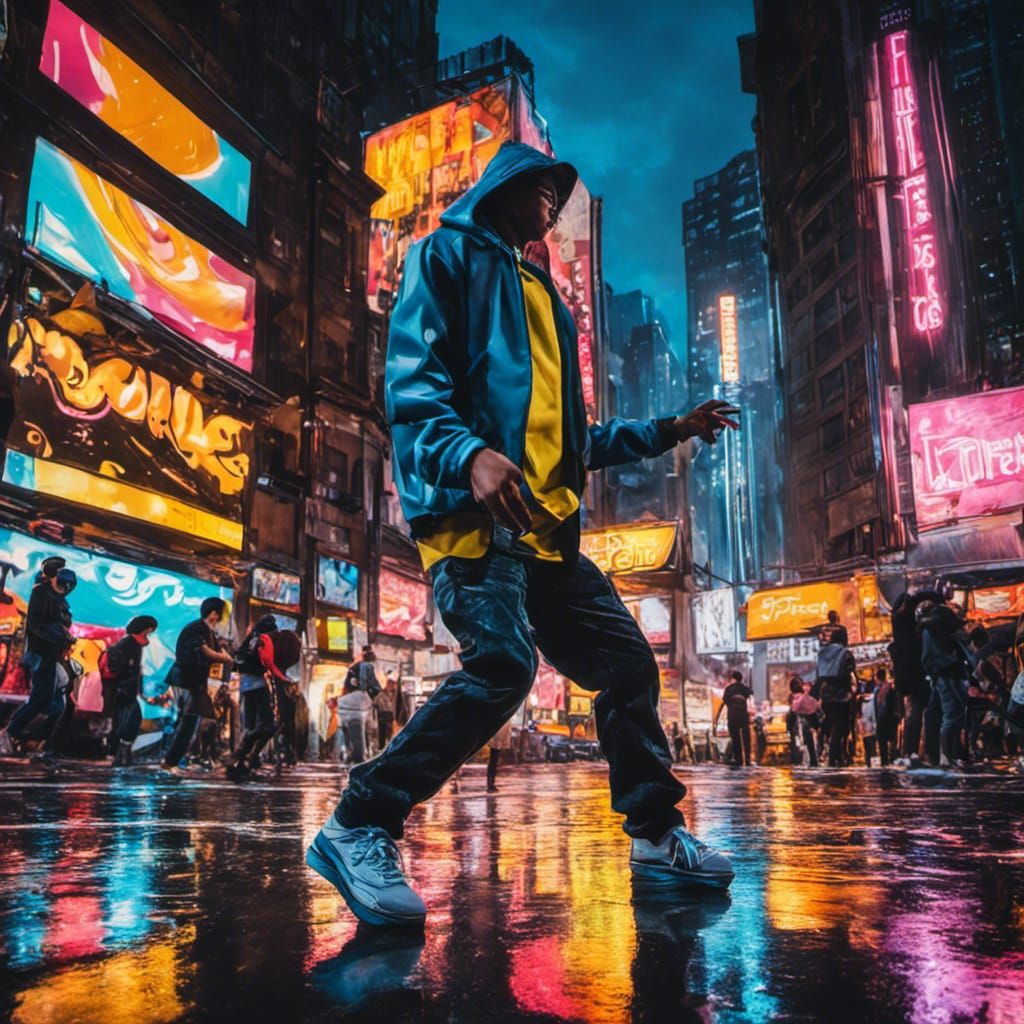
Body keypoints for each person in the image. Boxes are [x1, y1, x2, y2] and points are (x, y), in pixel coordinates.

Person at [306, 141, 739, 928]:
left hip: (546, 539)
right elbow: (411, 388)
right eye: (541, 189)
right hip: (474, 528)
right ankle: (358, 823)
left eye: (556, 194)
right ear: (501, 187)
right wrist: (468, 456)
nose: (551, 203)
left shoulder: (544, 294)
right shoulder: (446, 257)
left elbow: (574, 443)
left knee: (627, 661)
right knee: (503, 665)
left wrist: (673, 428)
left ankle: (654, 835)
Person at [0, 557, 77, 756]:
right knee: (41, 700)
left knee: (57, 704)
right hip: (43, 654)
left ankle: (35, 741)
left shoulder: (56, 597)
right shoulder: (42, 594)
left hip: (52, 655)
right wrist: (62, 636)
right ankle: (12, 733)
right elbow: (37, 626)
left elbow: (61, 620)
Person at [162, 597, 233, 773]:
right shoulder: (197, 629)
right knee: (189, 721)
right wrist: (225, 658)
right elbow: (208, 653)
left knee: (194, 721)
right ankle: (170, 762)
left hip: (195, 682)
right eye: (222, 614)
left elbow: (218, 650)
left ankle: (175, 761)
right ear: (214, 614)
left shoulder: (208, 631)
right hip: (186, 680)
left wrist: (228, 657)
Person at [227, 624, 302, 780]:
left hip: (248, 684)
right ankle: (242, 757)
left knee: (253, 724)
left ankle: (244, 762)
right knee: (267, 725)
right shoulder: (266, 641)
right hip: (256, 684)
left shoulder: (261, 639)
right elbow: (271, 664)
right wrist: (282, 679)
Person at [918, 601, 974, 767]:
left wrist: (931, 671)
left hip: (942, 674)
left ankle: (946, 756)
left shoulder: (929, 629)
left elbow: (926, 657)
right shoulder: (944, 627)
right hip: (950, 672)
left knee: (951, 715)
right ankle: (945, 755)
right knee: (946, 713)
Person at [889, 590, 943, 760]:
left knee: (917, 714)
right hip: (917, 674)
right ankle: (927, 751)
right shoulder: (907, 624)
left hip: (908, 676)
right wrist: (938, 598)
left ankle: (911, 751)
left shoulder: (899, 624)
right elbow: (918, 598)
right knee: (926, 714)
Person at [103, 615, 158, 767]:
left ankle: (120, 754)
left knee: (125, 720)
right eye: (149, 629)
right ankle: (120, 754)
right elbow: (127, 668)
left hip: (124, 688)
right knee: (129, 720)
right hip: (125, 688)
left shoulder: (131, 643)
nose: (150, 632)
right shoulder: (130, 644)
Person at [816, 639, 857, 767]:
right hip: (841, 695)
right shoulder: (845, 653)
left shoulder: (822, 653)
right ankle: (833, 758)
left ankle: (834, 756)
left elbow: (819, 675)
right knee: (839, 728)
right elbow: (850, 671)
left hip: (826, 693)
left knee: (831, 726)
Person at [716, 671, 753, 767]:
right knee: (746, 739)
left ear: (733, 679)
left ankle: (738, 759)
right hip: (743, 717)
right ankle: (747, 759)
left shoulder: (728, 689)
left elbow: (725, 700)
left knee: (735, 739)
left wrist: (731, 707)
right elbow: (750, 697)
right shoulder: (745, 689)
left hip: (732, 716)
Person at [337, 676, 373, 765]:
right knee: (359, 739)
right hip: (359, 719)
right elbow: (369, 704)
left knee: (349, 739)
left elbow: (339, 704)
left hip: (348, 721)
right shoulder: (362, 695)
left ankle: (352, 756)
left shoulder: (347, 697)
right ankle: (357, 756)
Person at [791, 680, 820, 767]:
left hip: (803, 723)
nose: (806, 688)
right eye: (804, 686)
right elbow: (816, 708)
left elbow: (794, 709)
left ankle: (807, 761)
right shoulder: (807, 698)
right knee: (808, 742)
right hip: (807, 723)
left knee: (804, 742)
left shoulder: (797, 698)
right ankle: (812, 760)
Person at [873, 668, 899, 766]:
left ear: (876, 677)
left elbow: (876, 706)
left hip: (881, 718)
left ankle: (884, 762)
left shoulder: (877, 690)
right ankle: (892, 758)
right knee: (892, 739)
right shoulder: (891, 687)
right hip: (891, 716)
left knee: (882, 742)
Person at [486, 717, 514, 792]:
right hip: (496, 741)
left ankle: (491, 784)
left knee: (494, 762)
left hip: (497, 741)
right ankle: (490, 785)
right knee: (493, 762)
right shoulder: (503, 719)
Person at [375, 672, 399, 752]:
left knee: (391, 733)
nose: (391, 685)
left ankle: (390, 748)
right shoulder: (381, 693)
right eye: (390, 683)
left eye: (392, 684)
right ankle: (381, 749)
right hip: (382, 715)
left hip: (392, 715)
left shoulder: (396, 694)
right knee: (382, 733)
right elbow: (376, 704)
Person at [858, 677, 878, 766]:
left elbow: (858, 713)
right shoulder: (873, 697)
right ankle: (870, 761)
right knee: (872, 743)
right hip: (871, 723)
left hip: (863, 723)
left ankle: (868, 761)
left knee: (867, 744)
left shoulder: (860, 699)